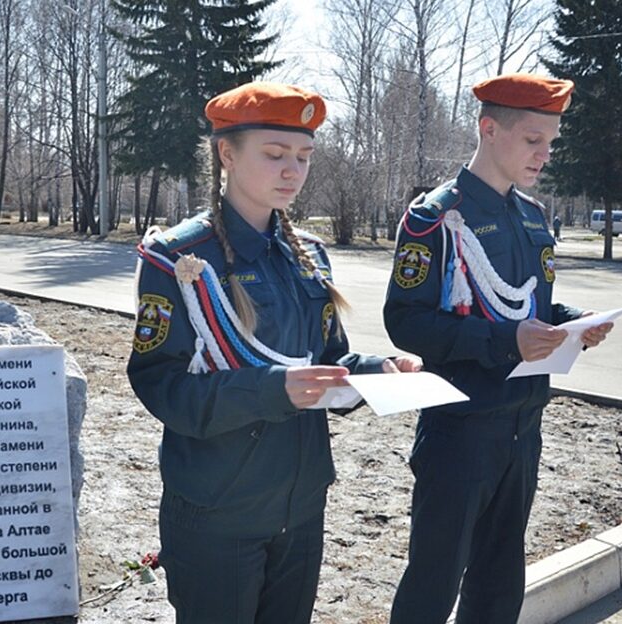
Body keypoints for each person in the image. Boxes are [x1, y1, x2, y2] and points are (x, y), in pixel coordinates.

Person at [126, 82, 420, 624]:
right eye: (275, 154)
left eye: (304, 156)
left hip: (301, 505)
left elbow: (329, 359)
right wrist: (273, 390)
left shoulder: (309, 255)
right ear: (226, 154)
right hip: (219, 512)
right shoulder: (181, 258)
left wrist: (378, 371)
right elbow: (161, 386)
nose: (294, 170)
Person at [384, 73, 614, 623]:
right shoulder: (437, 217)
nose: (545, 154)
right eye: (533, 139)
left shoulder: (532, 216)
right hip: (460, 432)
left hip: (523, 429)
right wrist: (505, 340)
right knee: (433, 585)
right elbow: (406, 321)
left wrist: (575, 322)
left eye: (551, 142)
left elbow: (531, 308)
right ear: (489, 129)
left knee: (498, 585)